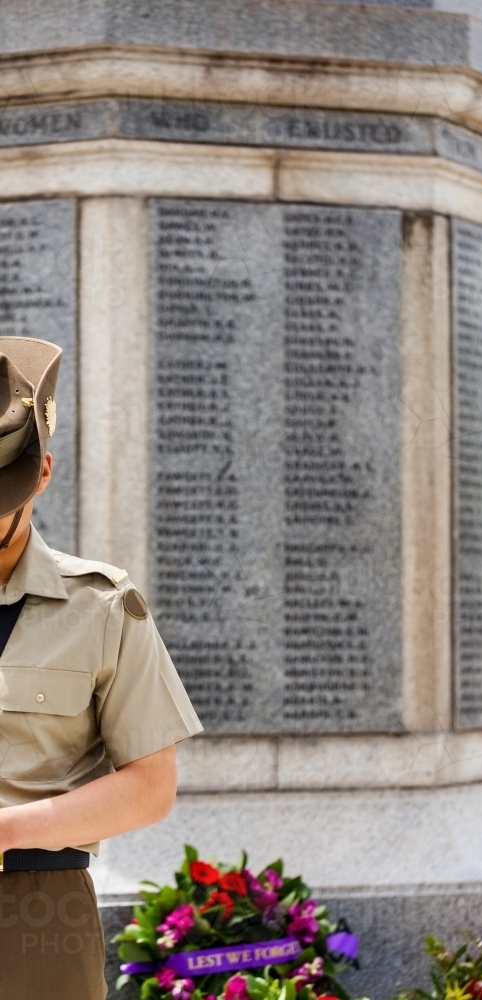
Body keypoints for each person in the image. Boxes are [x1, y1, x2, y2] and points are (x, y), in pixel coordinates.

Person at [0, 336, 203, 998]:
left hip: (35, 914)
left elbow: (151, 785)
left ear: (43, 473)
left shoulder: (104, 606)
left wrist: (6, 830)